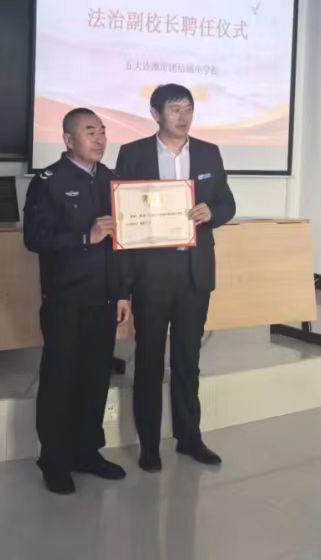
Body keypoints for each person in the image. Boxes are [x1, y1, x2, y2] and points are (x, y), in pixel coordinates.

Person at [115, 83, 236, 472]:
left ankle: (189, 438)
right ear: (155, 114)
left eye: (188, 109)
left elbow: (227, 202)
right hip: (151, 275)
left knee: (188, 359)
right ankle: (149, 445)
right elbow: (121, 216)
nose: (183, 117)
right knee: (149, 360)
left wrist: (212, 213)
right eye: (174, 109)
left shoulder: (208, 152)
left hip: (193, 273)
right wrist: (124, 285)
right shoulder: (133, 154)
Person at [23, 107, 132, 495]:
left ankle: (87, 452)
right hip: (66, 298)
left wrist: (122, 293)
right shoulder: (48, 182)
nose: (100, 139)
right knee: (60, 379)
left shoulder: (111, 180)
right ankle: (54, 460)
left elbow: (121, 244)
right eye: (90, 132)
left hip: (104, 298)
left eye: (102, 131)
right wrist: (86, 236)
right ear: (69, 139)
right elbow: (34, 239)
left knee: (95, 378)